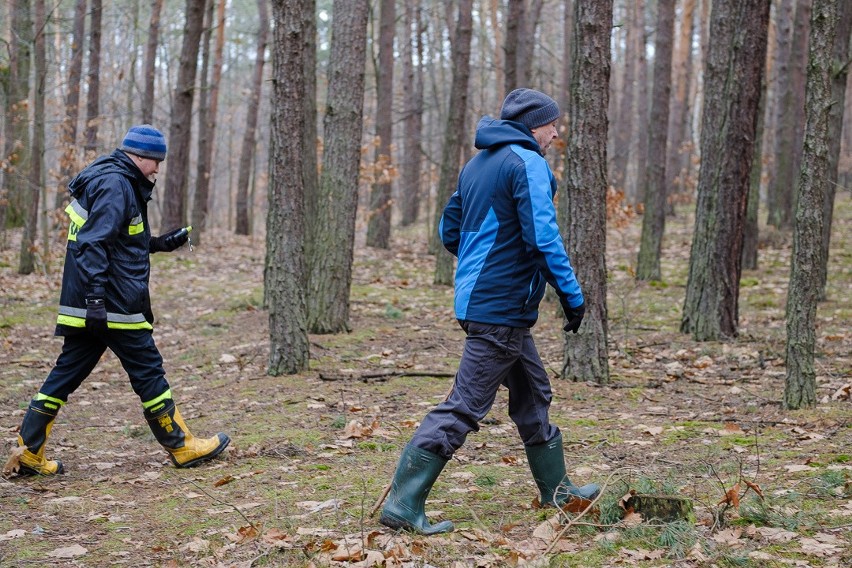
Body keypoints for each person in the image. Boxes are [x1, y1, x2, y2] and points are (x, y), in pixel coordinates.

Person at [380, 89, 599, 534]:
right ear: (531, 126)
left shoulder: (477, 163)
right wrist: (572, 296)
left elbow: (449, 229)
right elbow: (542, 238)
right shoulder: (527, 162)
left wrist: (484, 262)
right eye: (550, 124)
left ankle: (558, 492)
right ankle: (403, 505)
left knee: (533, 393)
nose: (556, 132)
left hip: (485, 301)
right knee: (464, 406)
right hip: (499, 306)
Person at [7, 125, 229, 477]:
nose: (157, 169)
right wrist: (96, 299)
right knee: (148, 370)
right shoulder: (115, 184)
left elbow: (120, 240)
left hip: (93, 302)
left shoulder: (112, 179)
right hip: (112, 304)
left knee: (64, 375)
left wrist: (161, 243)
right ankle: (180, 445)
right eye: (155, 161)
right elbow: (94, 244)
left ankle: (29, 451)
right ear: (137, 157)